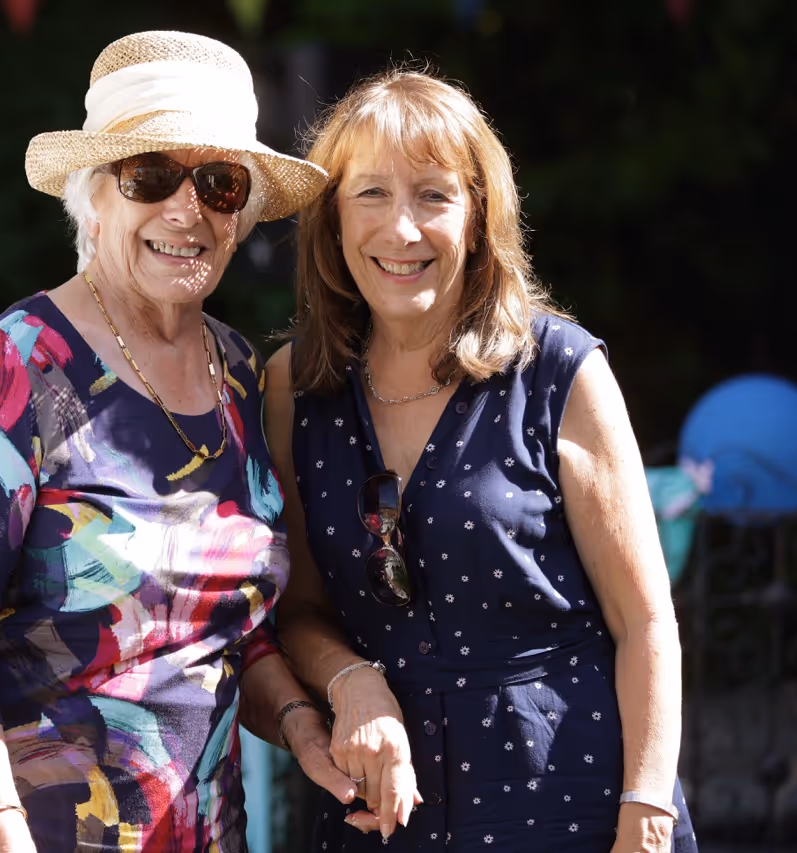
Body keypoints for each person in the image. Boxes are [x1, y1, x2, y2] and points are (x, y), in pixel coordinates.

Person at [0, 31, 354, 853]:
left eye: (217, 182)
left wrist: (307, 724)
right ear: (92, 197)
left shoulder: (241, 372)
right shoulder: (19, 361)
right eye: (149, 176)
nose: (186, 209)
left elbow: (233, 631)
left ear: (241, 215)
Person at [266, 68, 699, 852]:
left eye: (433, 194)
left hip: (577, 806)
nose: (402, 229)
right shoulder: (294, 388)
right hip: (386, 817)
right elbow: (295, 611)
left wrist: (648, 811)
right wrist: (350, 680)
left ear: (476, 216)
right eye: (370, 194)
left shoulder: (560, 370)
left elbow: (644, 623)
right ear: (330, 220)